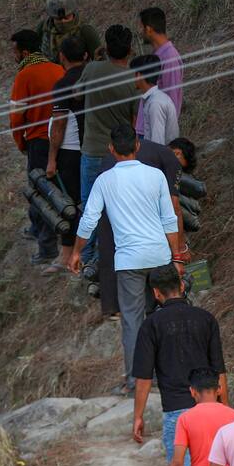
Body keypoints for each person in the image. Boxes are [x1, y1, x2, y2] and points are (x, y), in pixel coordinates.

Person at [68, 124, 179, 393]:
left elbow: (89, 219)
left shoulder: (105, 180)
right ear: (137, 146)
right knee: (164, 316)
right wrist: (176, 256)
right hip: (159, 256)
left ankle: (135, 381)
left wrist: (76, 251)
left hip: (129, 261)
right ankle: (169, 376)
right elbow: (169, 219)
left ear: (111, 149)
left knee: (132, 321)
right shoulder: (155, 176)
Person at [132, 263, 228, 466]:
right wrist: (226, 407)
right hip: (212, 408)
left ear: (156, 293)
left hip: (177, 412)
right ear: (182, 286)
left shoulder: (151, 326)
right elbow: (220, 370)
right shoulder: (206, 319)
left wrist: (138, 416)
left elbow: (143, 378)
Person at [97, 138, 186, 317]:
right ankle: (155, 304)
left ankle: (114, 306)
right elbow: (173, 208)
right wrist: (180, 251)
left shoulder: (112, 158)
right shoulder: (170, 160)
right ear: (179, 154)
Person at [76, 24, 139, 271]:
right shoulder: (133, 81)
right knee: (118, 208)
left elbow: (77, 95)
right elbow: (134, 122)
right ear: (130, 50)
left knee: (89, 205)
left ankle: (86, 256)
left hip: (92, 150)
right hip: (119, 154)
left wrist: (98, 60)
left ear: (106, 47)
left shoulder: (92, 69)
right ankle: (111, 256)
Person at [9, 29, 64, 265]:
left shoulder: (24, 75)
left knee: (40, 192)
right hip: (62, 139)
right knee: (52, 189)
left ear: (24, 52)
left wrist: (21, 142)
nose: (13, 56)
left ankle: (47, 246)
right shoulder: (58, 69)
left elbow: (16, 117)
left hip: (38, 141)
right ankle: (37, 228)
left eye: (14, 51)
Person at [43, 35, 86, 274]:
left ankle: (69, 256)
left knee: (69, 205)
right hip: (93, 148)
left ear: (62, 57)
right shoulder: (94, 78)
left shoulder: (63, 84)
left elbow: (58, 125)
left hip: (70, 152)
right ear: (86, 56)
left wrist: (51, 159)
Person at [136, 7, 183, 137]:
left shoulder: (169, 58)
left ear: (149, 29)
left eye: (141, 28)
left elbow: (171, 99)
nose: (140, 32)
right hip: (147, 131)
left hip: (155, 134)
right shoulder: (159, 54)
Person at [36, 0, 100, 63]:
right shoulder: (43, 28)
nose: (63, 21)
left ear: (72, 13)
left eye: (66, 18)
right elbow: (33, 55)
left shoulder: (85, 30)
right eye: (58, 19)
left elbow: (100, 60)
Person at [130, 54, 179, 145]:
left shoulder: (155, 103)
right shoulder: (154, 99)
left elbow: (157, 143)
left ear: (139, 75)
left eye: (134, 74)